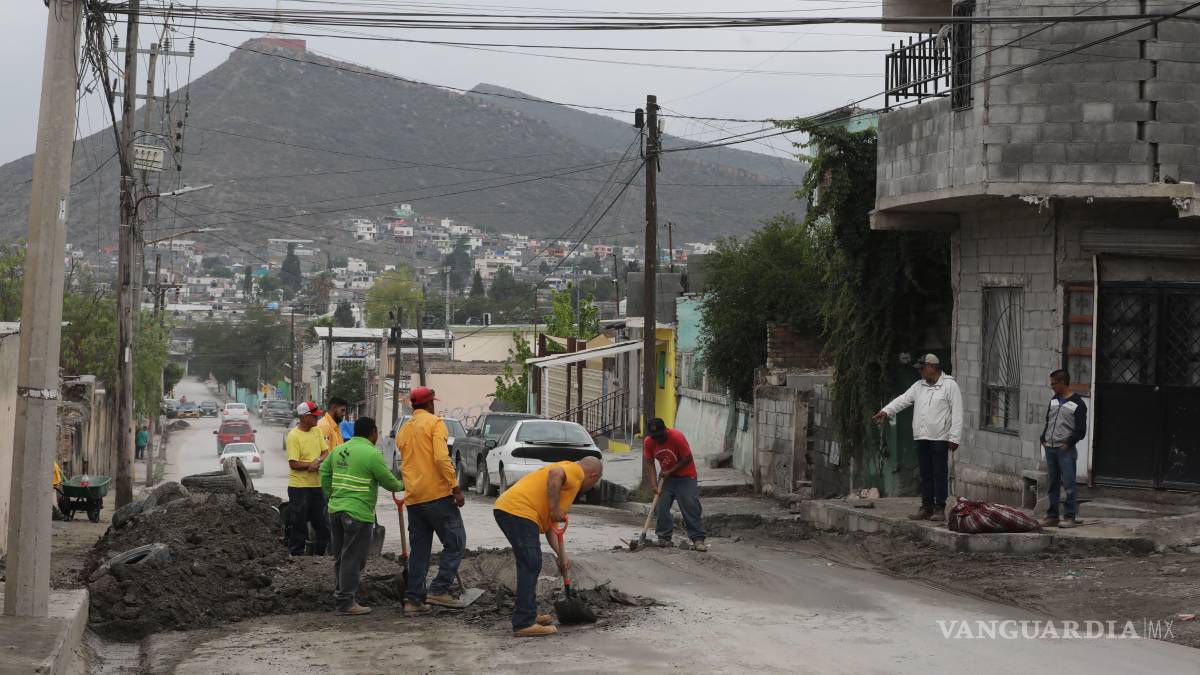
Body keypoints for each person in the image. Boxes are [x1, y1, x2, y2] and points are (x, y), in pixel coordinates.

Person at [493, 457, 604, 637]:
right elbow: (555, 474)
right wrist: (554, 508)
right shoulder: (576, 471)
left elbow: (551, 528)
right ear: (594, 475)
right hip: (519, 510)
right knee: (530, 563)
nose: (591, 487)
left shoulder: (567, 483)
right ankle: (524, 623)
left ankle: (529, 613)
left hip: (512, 509)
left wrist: (562, 555)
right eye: (595, 483)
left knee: (531, 563)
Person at [320, 416, 405, 616]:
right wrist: (403, 485)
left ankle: (341, 595)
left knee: (341, 557)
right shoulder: (372, 454)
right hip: (358, 514)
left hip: (335, 511)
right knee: (353, 558)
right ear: (373, 432)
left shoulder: (339, 450)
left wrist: (330, 494)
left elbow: (323, 471)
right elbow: (389, 482)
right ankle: (346, 602)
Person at [396, 386, 468, 613]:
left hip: (414, 498)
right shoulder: (436, 424)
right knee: (456, 543)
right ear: (429, 404)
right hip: (437, 495)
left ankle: (413, 600)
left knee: (419, 551)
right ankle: (439, 589)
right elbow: (440, 458)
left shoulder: (404, 430)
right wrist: (455, 487)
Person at [872, 353, 963, 522]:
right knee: (925, 474)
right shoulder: (918, 386)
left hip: (940, 437)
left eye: (922, 368)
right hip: (921, 436)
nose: (920, 372)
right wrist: (886, 411)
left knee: (939, 474)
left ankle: (939, 508)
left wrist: (954, 438)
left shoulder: (950, 386)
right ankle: (926, 507)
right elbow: (903, 400)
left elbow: (957, 413)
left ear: (932, 368)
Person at [643, 418, 707, 551]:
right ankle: (664, 538)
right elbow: (649, 463)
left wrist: (670, 471)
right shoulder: (649, 442)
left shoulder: (677, 437)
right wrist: (654, 485)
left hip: (686, 476)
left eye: (660, 436)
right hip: (666, 478)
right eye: (655, 437)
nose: (658, 439)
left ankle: (698, 539)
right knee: (661, 506)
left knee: (690, 504)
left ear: (665, 430)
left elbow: (688, 458)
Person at [1039, 369, 1088, 529]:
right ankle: (1052, 516)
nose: (1051, 386)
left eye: (1054, 384)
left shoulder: (1078, 404)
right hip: (1050, 447)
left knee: (1069, 485)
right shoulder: (1054, 400)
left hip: (1065, 449)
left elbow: (1081, 430)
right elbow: (1048, 421)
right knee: (1052, 484)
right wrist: (1043, 438)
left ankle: (1069, 517)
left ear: (1062, 383)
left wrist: (1068, 443)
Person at [286, 401, 331, 556]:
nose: (317, 419)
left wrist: (317, 461)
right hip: (299, 488)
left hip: (316, 486)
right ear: (305, 417)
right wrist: (309, 465)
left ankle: (319, 556)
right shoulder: (293, 436)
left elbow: (325, 452)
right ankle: (296, 556)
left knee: (323, 524)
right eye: (314, 416)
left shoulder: (316, 431)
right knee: (299, 525)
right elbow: (293, 463)